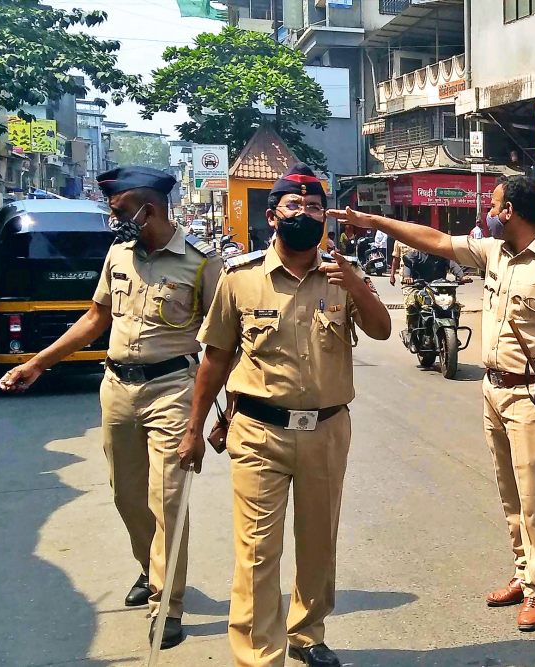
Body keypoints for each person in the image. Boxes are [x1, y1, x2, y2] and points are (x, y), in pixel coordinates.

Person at [331, 175, 535, 632]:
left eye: (493, 205)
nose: (488, 212)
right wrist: (372, 220)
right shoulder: (493, 251)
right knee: (509, 492)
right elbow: (432, 239)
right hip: (494, 389)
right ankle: (521, 571)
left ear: (510, 211)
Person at [0, 166, 222, 650]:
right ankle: (150, 565)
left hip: (172, 389)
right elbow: (96, 317)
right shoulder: (119, 254)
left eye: (119, 211)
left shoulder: (202, 265)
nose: (112, 221)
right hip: (117, 388)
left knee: (168, 499)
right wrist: (37, 364)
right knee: (127, 495)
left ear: (151, 209)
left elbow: (223, 344)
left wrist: (217, 414)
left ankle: (168, 601)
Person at [179, 163, 391, 667]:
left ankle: (307, 634)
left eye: (315, 207)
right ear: (272, 216)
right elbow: (214, 360)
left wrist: (358, 285)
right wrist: (193, 430)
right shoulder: (240, 279)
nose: (306, 214)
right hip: (257, 433)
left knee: (319, 543)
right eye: (294, 207)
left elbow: (381, 330)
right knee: (256, 551)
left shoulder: (342, 276)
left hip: (326, 431)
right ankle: (257, 655)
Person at [401, 249, 471, 332]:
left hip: (439, 288)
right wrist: (407, 277)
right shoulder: (415, 254)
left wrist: (461, 277)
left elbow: (452, 265)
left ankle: (454, 330)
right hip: (419, 287)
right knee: (411, 304)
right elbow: (408, 265)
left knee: (455, 307)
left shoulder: (442, 254)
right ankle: (412, 332)